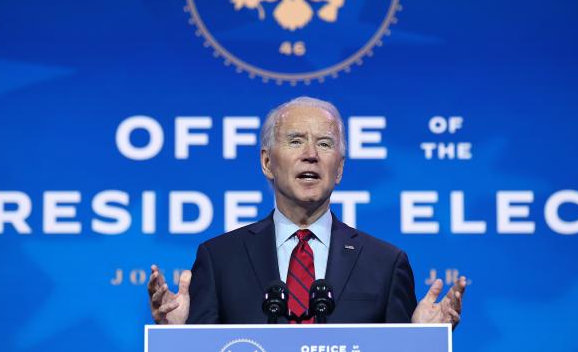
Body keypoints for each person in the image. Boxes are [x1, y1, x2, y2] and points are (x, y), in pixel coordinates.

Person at [148, 97, 466, 325]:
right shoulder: (219, 259)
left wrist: (424, 340)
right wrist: (176, 337)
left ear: (339, 170)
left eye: (325, 144)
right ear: (267, 162)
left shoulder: (385, 263)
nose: (311, 154)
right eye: (296, 141)